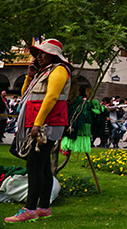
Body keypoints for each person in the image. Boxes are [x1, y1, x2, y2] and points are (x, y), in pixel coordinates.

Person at [5, 39, 72, 223]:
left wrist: (38, 123)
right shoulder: (44, 71)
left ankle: (30, 209)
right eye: (38, 53)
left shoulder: (59, 69)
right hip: (41, 123)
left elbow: (51, 97)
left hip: (46, 125)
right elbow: (25, 95)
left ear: (54, 54)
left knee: (33, 166)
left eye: (43, 52)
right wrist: (29, 76)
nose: (38, 56)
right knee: (42, 167)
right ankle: (44, 207)